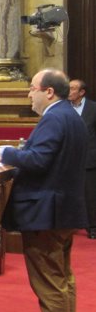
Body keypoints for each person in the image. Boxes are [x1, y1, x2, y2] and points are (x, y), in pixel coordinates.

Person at [0, 69, 87, 312]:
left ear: (49, 92)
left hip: (46, 213)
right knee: (62, 280)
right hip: (62, 210)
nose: (29, 95)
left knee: (50, 285)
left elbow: (39, 160)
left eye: (32, 89)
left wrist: (3, 152)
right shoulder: (70, 116)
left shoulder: (55, 118)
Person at [68, 78, 96, 239]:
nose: (69, 92)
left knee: (90, 194)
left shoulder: (93, 108)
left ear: (81, 92)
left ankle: (92, 226)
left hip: (89, 158)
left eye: (72, 89)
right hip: (69, 159)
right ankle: (71, 224)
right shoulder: (64, 108)